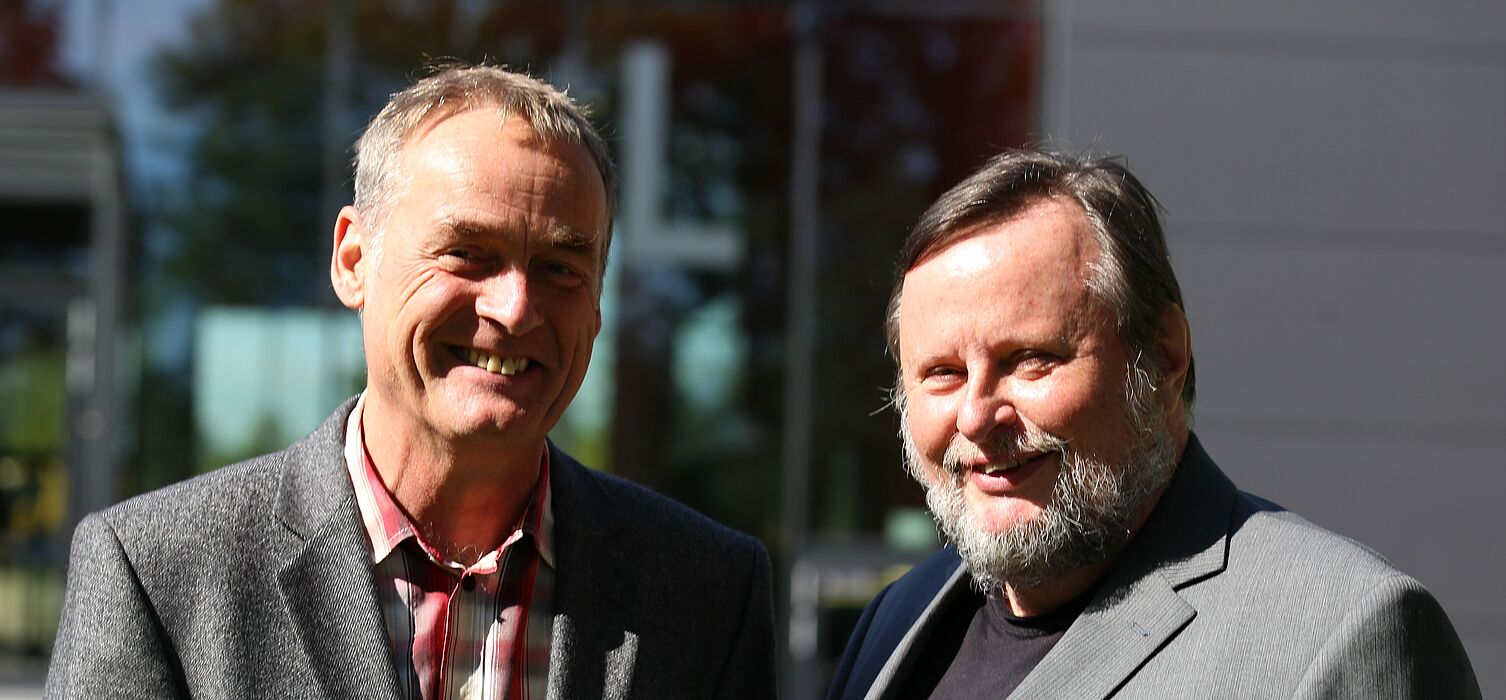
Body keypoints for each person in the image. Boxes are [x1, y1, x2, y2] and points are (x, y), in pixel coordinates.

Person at [46, 65, 775, 699]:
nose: (515, 307)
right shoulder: (159, 574)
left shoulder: (706, 591)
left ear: (597, 304)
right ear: (354, 260)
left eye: (560, 267)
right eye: (467, 253)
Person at [828, 149, 1480, 699]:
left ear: (1164, 354)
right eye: (941, 373)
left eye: (1030, 359)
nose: (975, 416)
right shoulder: (896, 618)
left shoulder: (1346, 633)